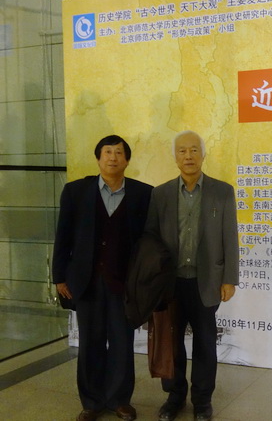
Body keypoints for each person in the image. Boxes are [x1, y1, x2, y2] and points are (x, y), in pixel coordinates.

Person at [52, 135, 153, 421]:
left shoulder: (143, 193)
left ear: (127, 160)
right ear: (98, 158)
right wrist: (59, 276)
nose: (112, 157)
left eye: (118, 153)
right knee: (90, 343)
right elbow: (63, 236)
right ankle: (92, 402)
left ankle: (120, 400)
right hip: (86, 282)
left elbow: (150, 241)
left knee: (122, 342)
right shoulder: (75, 191)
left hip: (125, 284)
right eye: (107, 152)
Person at [144, 130, 239, 421]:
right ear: (175, 157)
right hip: (170, 284)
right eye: (183, 151)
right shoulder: (160, 194)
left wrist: (229, 278)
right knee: (171, 344)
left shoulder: (222, 191)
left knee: (205, 345)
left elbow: (230, 237)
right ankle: (174, 397)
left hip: (206, 282)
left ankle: (202, 400)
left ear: (203, 154)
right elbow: (150, 239)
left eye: (194, 150)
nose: (188, 156)